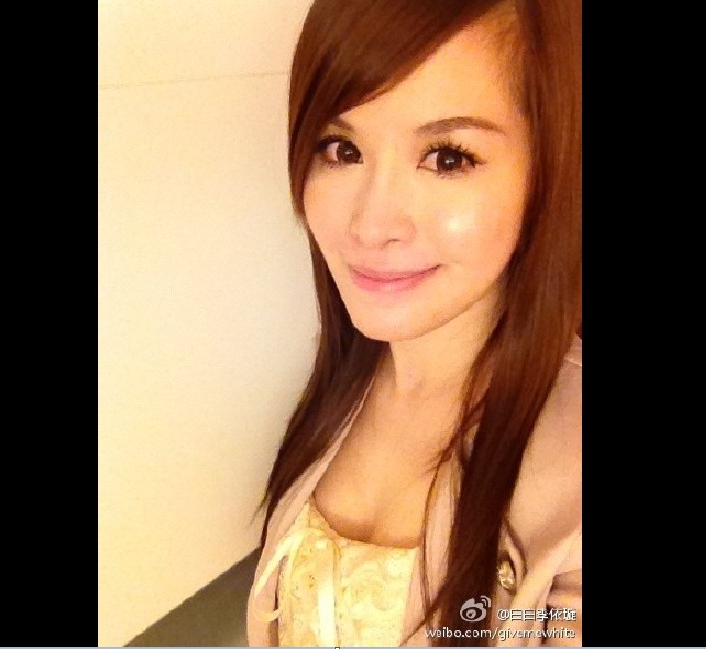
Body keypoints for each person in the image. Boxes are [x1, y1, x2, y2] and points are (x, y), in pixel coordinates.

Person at [247, 0, 581, 645]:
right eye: (341, 148)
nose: (370, 225)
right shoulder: (350, 382)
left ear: (550, 171)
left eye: (448, 158)